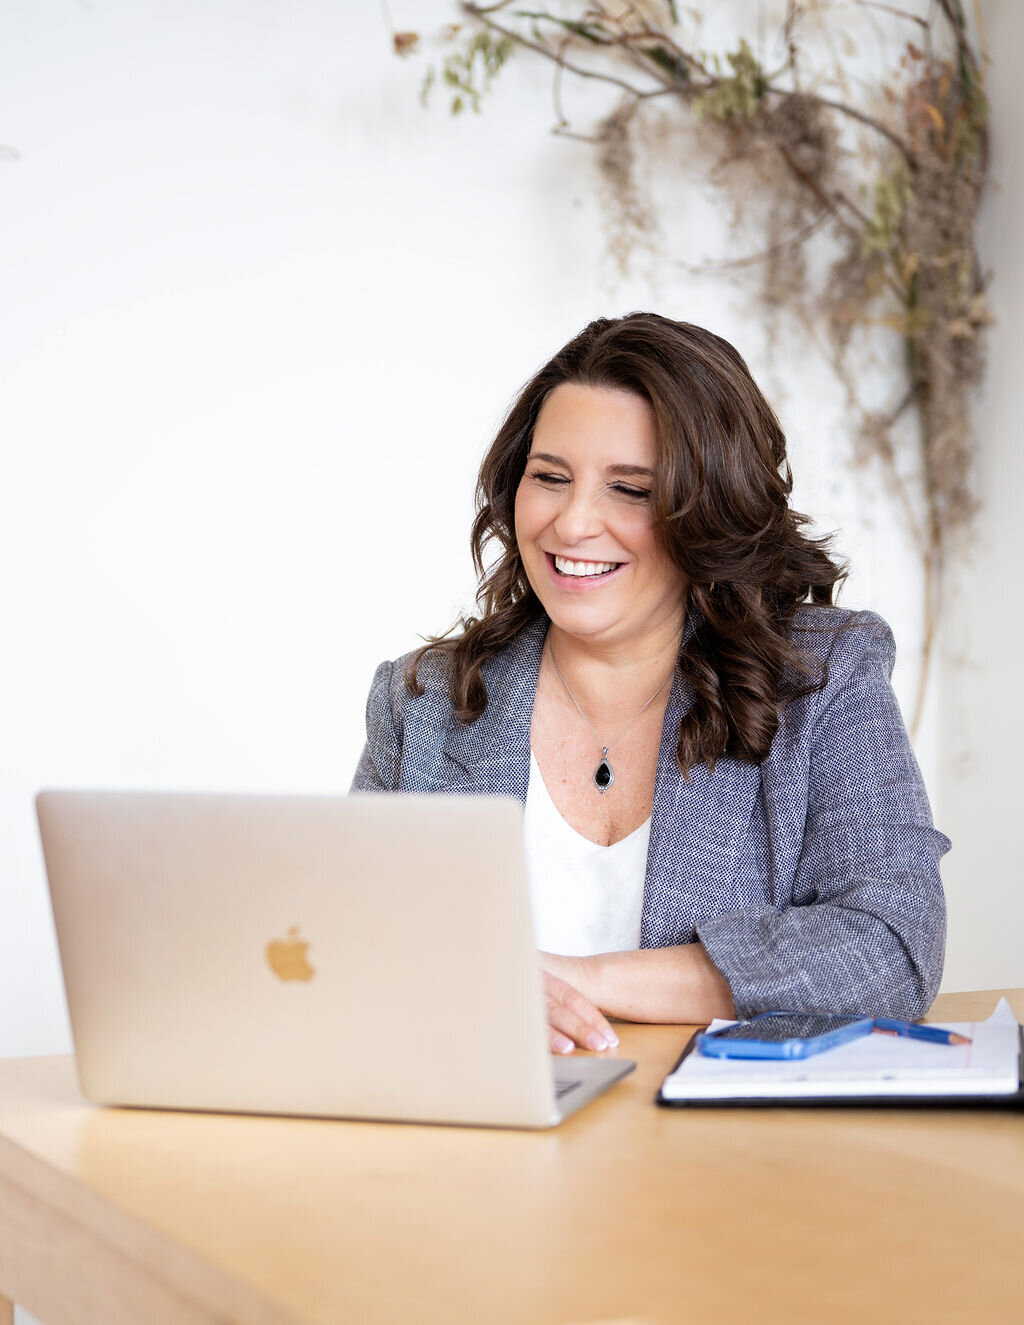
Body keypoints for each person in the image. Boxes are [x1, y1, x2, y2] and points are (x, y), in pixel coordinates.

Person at [352, 313, 948, 1055]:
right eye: (550, 478)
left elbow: (891, 946)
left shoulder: (823, 676)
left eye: (630, 489)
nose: (573, 523)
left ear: (710, 509)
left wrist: (568, 981)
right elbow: (351, 948)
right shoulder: (423, 702)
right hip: (480, 1143)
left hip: (726, 1157)